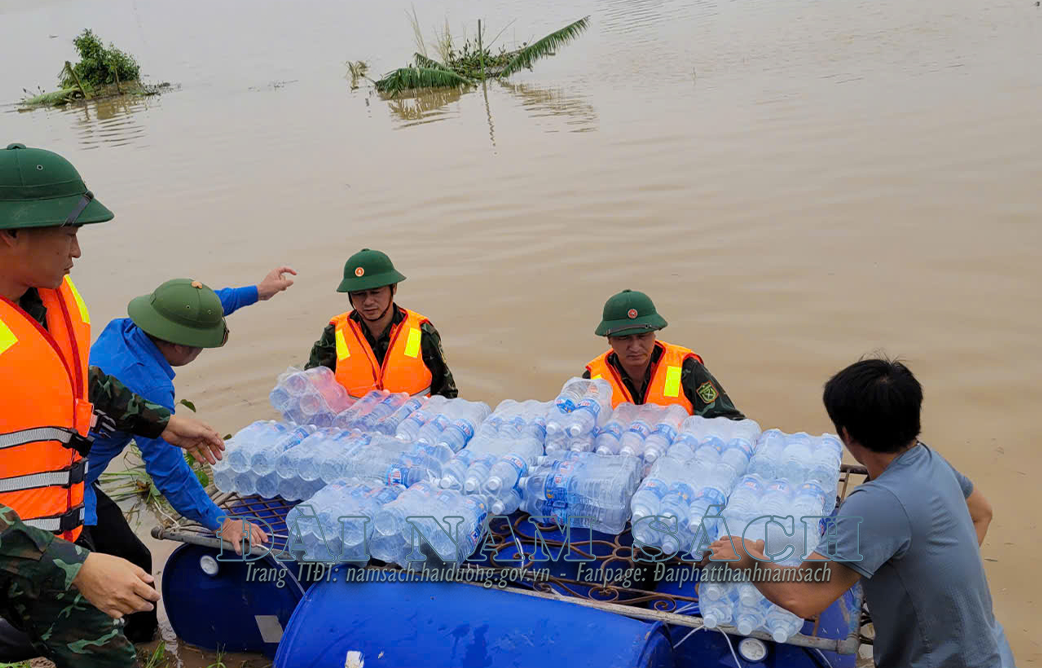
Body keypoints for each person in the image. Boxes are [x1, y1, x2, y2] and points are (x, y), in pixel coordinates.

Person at [0, 142, 224, 666]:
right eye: (68, 234)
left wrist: (162, 422)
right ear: (11, 232)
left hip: (46, 546)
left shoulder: (51, 297)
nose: (76, 253)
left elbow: (78, 382)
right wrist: (76, 567)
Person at [707, 357, 1016, 668]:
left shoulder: (877, 503)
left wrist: (747, 558)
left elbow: (801, 597)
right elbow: (981, 513)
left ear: (847, 434)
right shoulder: (931, 462)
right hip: (990, 652)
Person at [83, 272, 295, 642]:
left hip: (71, 464)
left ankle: (145, 646)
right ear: (183, 347)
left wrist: (257, 293)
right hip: (61, 484)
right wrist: (221, 522)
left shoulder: (124, 329)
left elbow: (195, 304)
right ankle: (126, 645)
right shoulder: (148, 385)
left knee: (132, 557)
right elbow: (169, 475)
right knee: (110, 578)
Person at [305, 248, 457, 399]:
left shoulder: (422, 331)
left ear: (394, 288)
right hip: (356, 422)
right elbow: (310, 388)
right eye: (359, 294)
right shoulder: (334, 333)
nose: (368, 302)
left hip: (412, 421)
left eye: (376, 292)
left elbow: (446, 393)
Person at [582, 289, 744, 419]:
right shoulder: (595, 378)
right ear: (609, 340)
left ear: (654, 334)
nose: (635, 346)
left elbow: (729, 421)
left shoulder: (684, 369)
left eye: (642, 336)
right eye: (624, 338)